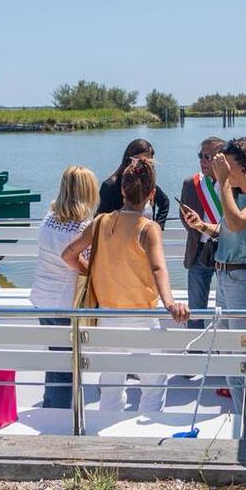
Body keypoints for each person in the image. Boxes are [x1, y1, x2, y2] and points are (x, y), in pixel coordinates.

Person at [63, 158, 189, 412]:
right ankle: (146, 433)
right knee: (153, 384)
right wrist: (169, 303)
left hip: (107, 316)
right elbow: (158, 268)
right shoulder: (148, 228)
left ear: (122, 189)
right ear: (151, 195)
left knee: (110, 385)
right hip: (141, 317)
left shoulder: (100, 222)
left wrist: (92, 273)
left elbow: (68, 255)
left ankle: (108, 425)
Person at [183, 137, 246, 439]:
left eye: (227, 164)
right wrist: (202, 226)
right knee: (232, 367)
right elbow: (228, 230)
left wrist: (222, 182)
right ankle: (245, 430)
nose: (221, 169)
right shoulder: (236, 195)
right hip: (226, 278)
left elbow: (237, 224)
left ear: (245, 164)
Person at [30, 166, 99, 409]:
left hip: (42, 298)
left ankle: (51, 405)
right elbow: (84, 265)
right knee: (65, 366)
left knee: (55, 359)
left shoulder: (49, 219)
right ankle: (57, 414)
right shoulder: (82, 227)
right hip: (65, 303)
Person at [178, 136, 224, 328]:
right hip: (199, 250)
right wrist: (193, 222)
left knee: (226, 306)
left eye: (208, 157)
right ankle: (195, 344)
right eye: (201, 156)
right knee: (196, 309)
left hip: (226, 251)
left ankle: (225, 343)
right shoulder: (191, 183)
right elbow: (183, 216)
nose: (203, 161)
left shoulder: (234, 184)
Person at [97, 139, 170, 228]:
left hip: (146, 235)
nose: (144, 165)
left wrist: (158, 226)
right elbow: (100, 221)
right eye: (140, 161)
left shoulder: (148, 184)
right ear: (128, 160)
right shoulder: (110, 186)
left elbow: (165, 202)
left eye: (149, 162)